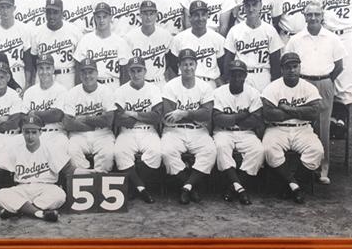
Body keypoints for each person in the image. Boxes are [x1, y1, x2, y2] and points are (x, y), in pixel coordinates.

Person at [0, 114, 95, 222]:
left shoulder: (51, 147)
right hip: (22, 188)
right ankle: (39, 213)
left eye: (34, 132)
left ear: (41, 132)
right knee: (0, 195)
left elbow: (70, 170)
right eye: (27, 132)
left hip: (46, 187)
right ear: (22, 132)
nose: (30, 136)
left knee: (60, 195)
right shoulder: (15, 147)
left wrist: (91, 172)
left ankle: (19, 209)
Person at [285, 1, 346, 184]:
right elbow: (288, 62)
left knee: (323, 126)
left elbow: (339, 66)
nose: (313, 18)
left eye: (316, 14)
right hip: (302, 82)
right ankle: (301, 166)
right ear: (304, 17)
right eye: (309, 14)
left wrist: (325, 81)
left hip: (324, 82)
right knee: (301, 122)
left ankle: (323, 168)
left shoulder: (332, 38)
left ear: (322, 16)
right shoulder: (296, 39)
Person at [261, 52, 324, 204]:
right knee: (269, 150)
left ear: (299, 68)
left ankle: (292, 184)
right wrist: (301, 111)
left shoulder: (308, 87)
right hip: (277, 129)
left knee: (317, 151)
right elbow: (269, 114)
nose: (292, 70)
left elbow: (315, 112)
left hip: (303, 129)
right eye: (288, 67)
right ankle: (295, 186)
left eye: (295, 66)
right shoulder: (272, 88)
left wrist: (287, 109)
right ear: (282, 69)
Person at [160, 49, 216, 205]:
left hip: (198, 131)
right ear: (179, 66)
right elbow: (169, 116)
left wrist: (184, 113)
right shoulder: (170, 86)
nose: (188, 68)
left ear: (196, 65)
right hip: (174, 131)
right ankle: (190, 185)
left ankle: (186, 187)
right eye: (185, 64)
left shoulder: (205, 86)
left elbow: (206, 115)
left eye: (191, 64)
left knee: (210, 151)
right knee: (166, 152)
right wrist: (195, 114)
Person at [213, 60, 264, 205]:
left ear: (245, 76)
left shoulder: (253, 92)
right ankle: (240, 188)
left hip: (246, 133)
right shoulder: (218, 92)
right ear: (228, 75)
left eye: (240, 74)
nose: (236, 78)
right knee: (221, 147)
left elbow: (255, 119)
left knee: (258, 150)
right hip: (223, 132)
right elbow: (217, 119)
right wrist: (241, 116)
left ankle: (233, 187)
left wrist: (230, 118)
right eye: (233, 74)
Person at [113, 57, 162, 204]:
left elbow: (157, 117)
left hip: (148, 131)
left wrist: (133, 114)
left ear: (145, 71)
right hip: (127, 132)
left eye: (139, 70)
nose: (136, 74)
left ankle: (135, 188)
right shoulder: (121, 90)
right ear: (128, 72)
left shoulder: (153, 89)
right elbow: (118, 118)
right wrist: (145, 116)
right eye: (133, 71)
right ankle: (142, 188)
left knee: (156, 152)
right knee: (120, 152)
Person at [63, 58, 116, 172]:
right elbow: (68, 123)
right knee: (72, 152)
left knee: (108, 153)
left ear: (97, 73)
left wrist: (84, 118)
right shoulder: (72, 93)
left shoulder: (106, 91)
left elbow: (109, 120)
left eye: (90, 72)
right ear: (80, 75)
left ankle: (98, 177)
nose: (87, 76)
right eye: (84, 73)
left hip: (103, 134)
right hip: (79, 135)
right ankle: (87, 175)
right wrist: (96, 122)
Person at [224, 0, 283, 92]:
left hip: (263, 76)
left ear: (261, 5)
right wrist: (228, 80)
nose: (251, 9)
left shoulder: (270, 30)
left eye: (254, 4)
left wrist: (275, 83)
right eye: (248, 5)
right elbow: (228, 60)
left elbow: (275, 61)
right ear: (244, 7)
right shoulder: (235, 30)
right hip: (241, 76)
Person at [73, 2, 131, 91]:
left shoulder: (120, 42)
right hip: (91, 86)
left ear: (110, 18)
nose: (101, 20)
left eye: (105, 17)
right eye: (98, 17)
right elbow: (78, 71)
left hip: (113, 85)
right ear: (94, 18)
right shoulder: (85, 40)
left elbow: (125, 74)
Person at [169, 0, 226, 90]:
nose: (200, 18)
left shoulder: (218, 39)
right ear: (190, 17)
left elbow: (223, 67)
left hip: (209, 83)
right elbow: (172, 67)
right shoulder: (179, 39)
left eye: (203, 14)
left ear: (207, 16)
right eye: (196, 15)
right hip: (185, 84)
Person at [30, 0, 82, 89]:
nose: (51, 16)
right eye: (49, 12)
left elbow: (79, 61)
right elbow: (33, 60)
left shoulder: (74, 31)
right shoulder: (37, 32)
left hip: (67, 75)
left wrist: (78, 85)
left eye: (55, 12)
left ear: (62, 13)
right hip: (44, 76)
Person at [0, 0, 34, 92]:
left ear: (14, 8)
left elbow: (28, 60)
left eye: (8, 7)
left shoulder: (24, 29)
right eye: (2, 7)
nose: (5, 11)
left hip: (18, 73)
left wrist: (28, 83)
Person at [22, 54, 69, 151]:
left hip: (56, 134)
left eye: (48, 68)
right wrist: (47, 114)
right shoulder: (29, 92)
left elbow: (57, 115)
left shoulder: (62, 90)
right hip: (34, 135)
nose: (44, 72)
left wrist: (34, 114)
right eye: (41, 68)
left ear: (53, 69)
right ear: (37, 70)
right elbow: (23, 118)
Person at [123, 0, 173, 90]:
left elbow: (170, 60)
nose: (148, 17)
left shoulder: (165, 35)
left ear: (156, 15)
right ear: (140, 15)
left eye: (151, 13)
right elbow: (126, 65)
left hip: (159, 82)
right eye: (145, 13)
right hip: (139, 83)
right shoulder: (130, 37)